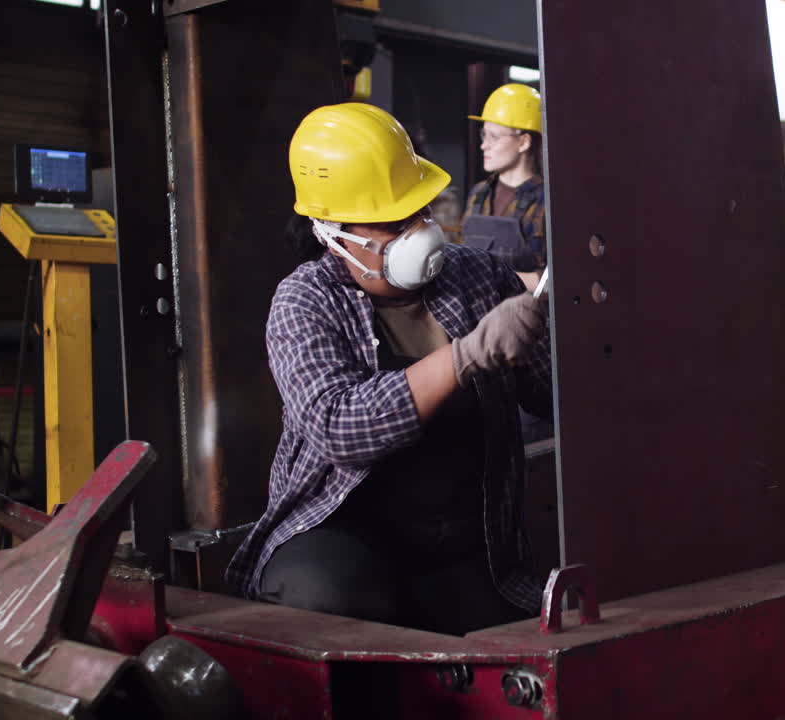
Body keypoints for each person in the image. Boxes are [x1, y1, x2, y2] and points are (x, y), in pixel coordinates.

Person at [225, 103, 552, 637]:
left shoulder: (477, 277)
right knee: (328, 597)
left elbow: (550, 395)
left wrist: (557, 320)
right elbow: (340, 427)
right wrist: (465, 356)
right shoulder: (305, 300)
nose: (418, 232)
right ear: (332, 232)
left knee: (514, 641)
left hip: (467, 541)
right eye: (391, 221)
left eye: (419, 212)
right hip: (346, 533)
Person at [463, 83, 546, 291]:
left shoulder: (547, 201)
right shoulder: (478, 194)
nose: (484, 145)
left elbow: (553, 282)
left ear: (523, 142)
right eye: (484, 135)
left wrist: (494, 277)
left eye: (495, 137)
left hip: (522, 317)